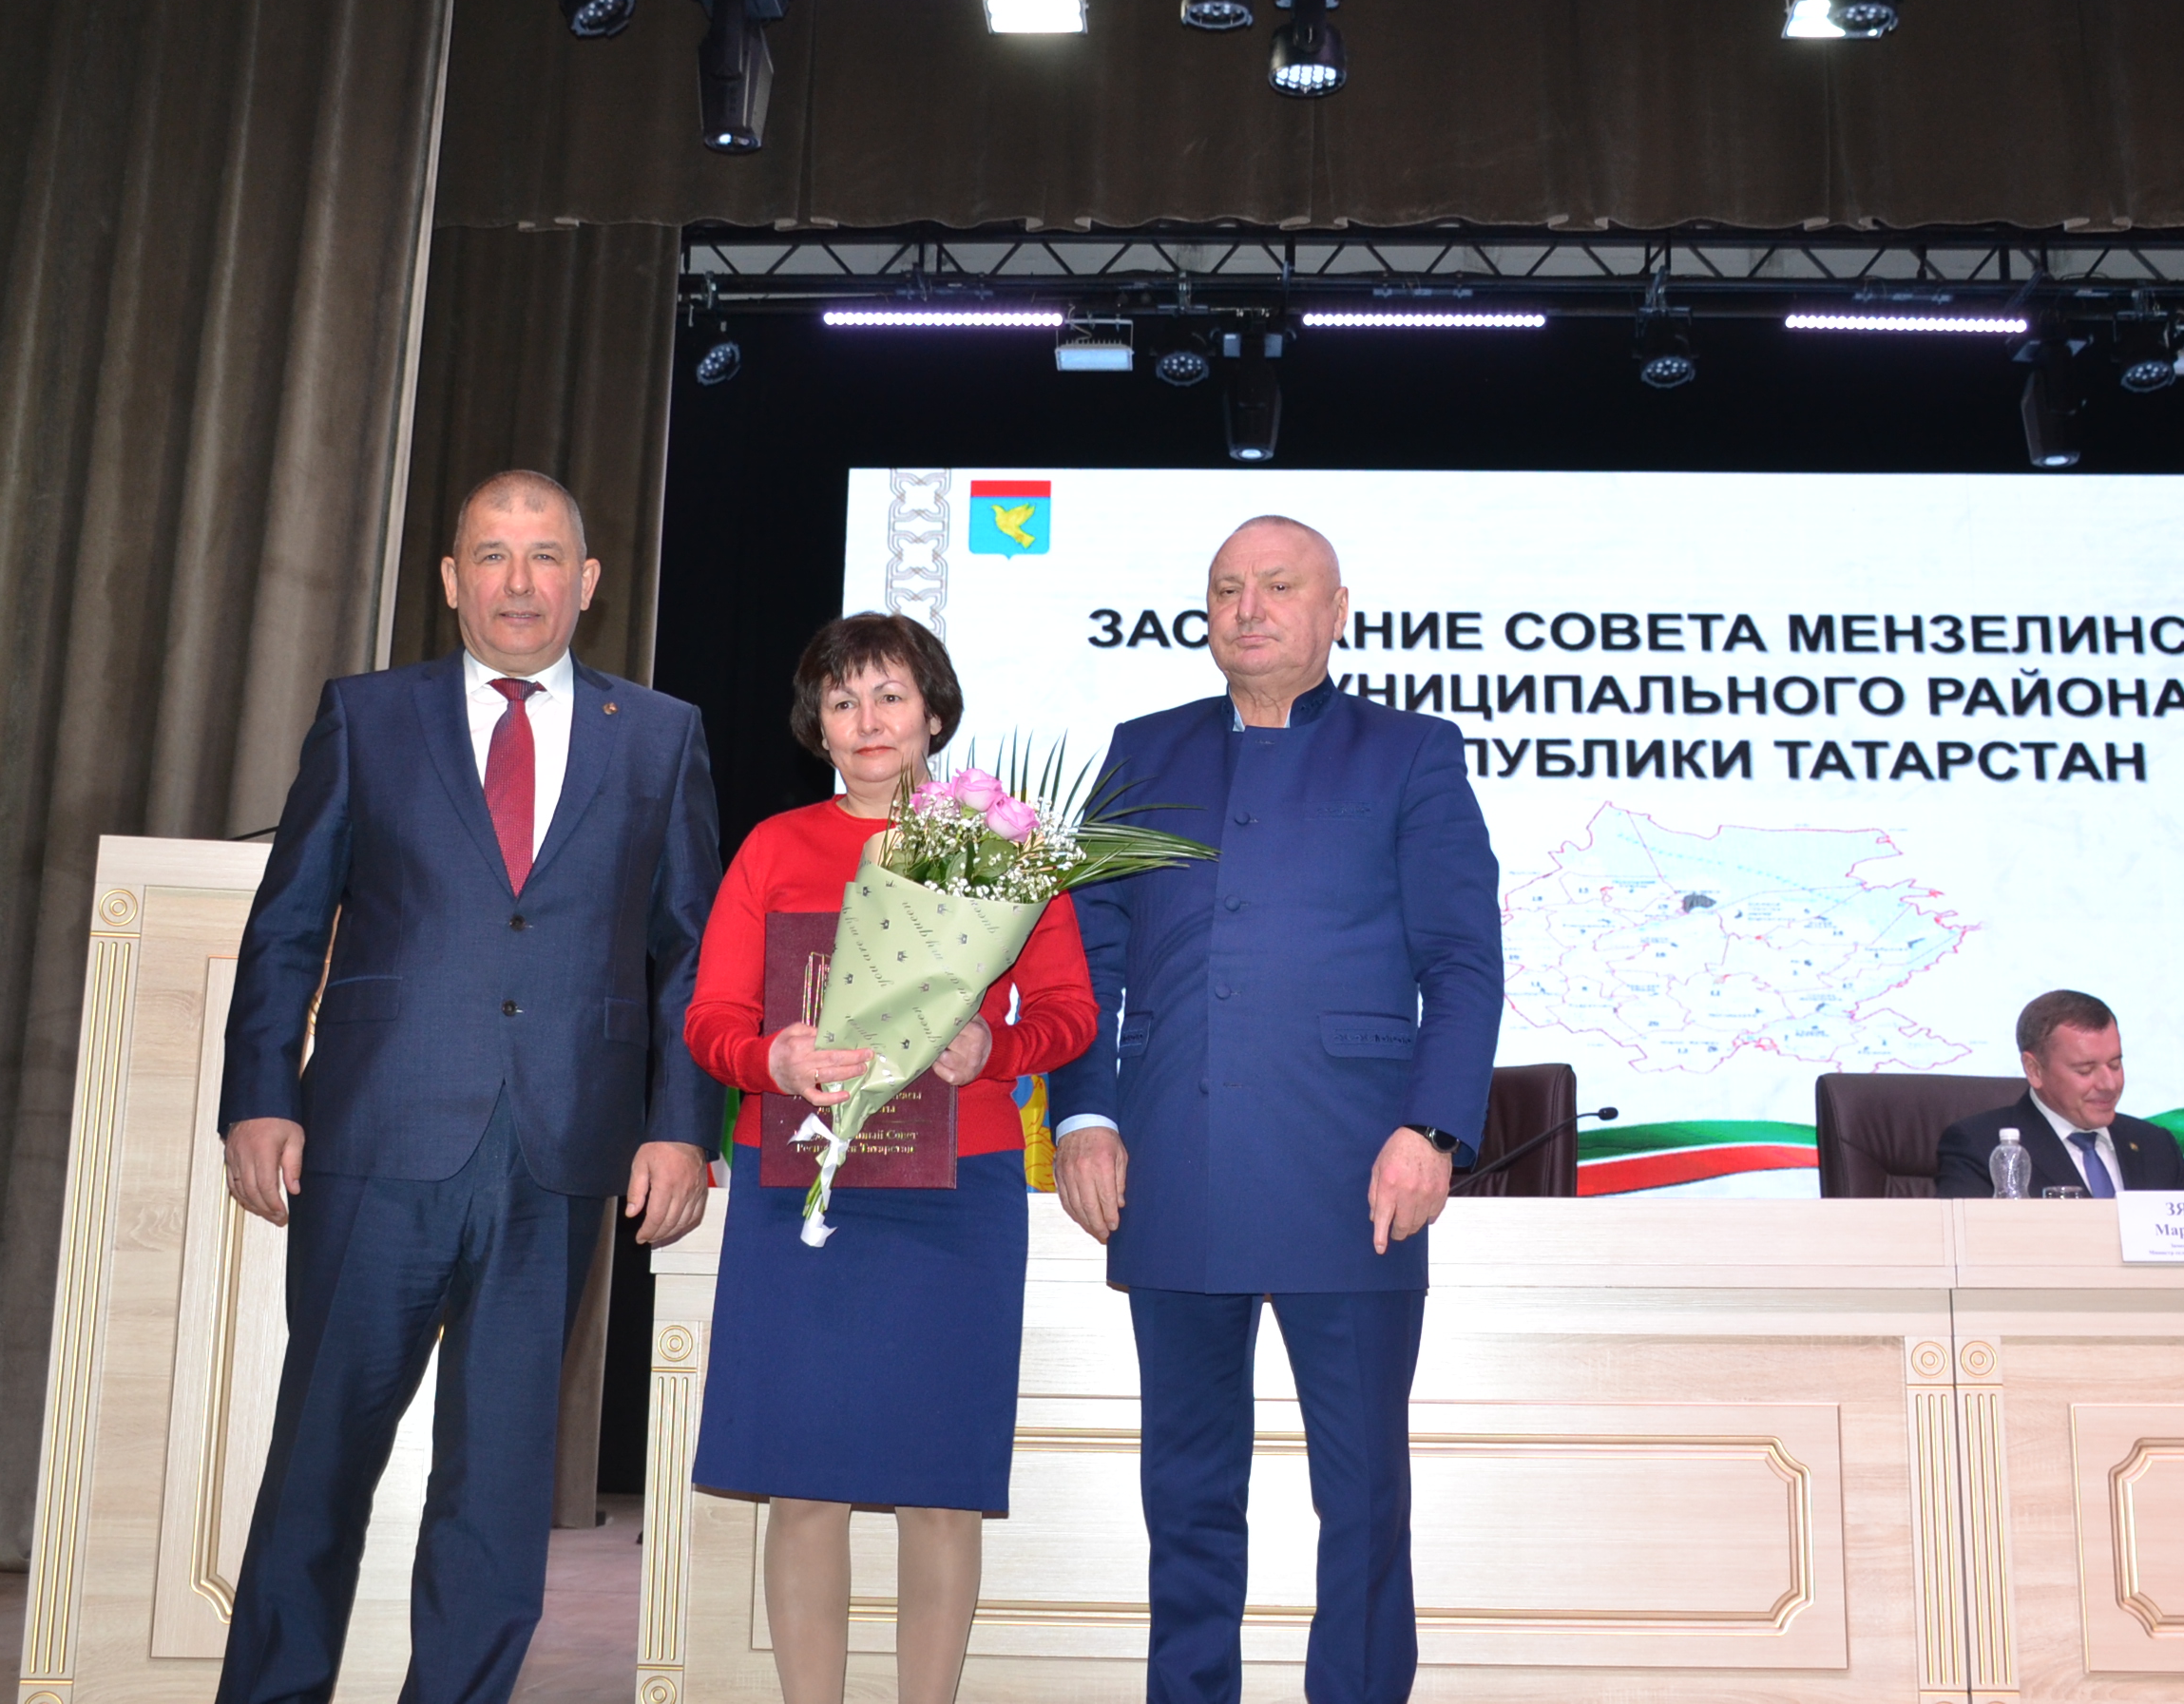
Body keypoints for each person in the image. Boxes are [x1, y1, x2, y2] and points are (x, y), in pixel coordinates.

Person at [213, 470, 720, 1704]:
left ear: (587, 582)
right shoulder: (366, 716)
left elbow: (690, 953)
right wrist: (260, 1093)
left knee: (498, 1484)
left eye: (545, 556)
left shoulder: (659, 736)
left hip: (561, 1157)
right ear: (450, 579)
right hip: (375, 1140)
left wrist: (680, 1128)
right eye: (491, 554)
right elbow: (288, 923)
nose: (518, 581)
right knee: (320, 1465)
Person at [1048, 517, 1504, 1704]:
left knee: (1362, 1495)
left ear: (1336, 611)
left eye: (1278, 586)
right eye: (1226, 589)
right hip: (1173, 1164)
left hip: (1354, 1173)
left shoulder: (1410, 753)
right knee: (1186, 1489)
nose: (1248, 608)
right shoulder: (1144, 751)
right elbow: (1082, 955)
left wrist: (1433, 1131)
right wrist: (1084, 1117)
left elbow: (1462, 961)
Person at [682, 613, 1096, 1704]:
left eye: (891, 696)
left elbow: (1071, 1013)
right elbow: (711, 1020)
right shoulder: (773, 849)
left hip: (955, 1193)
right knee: (804, 1487)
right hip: (800, 1190)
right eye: (842, 700)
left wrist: (994, 1048)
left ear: (934, 715)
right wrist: (771, 1058)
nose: (867, 720)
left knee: (940, 1490)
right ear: (817, 726)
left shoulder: (1004, 848)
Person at [1934, 988, 2184, 1197]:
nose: (2109, 1084)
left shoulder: (2155, 1145)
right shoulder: (1980, 1146)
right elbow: (1970, 1242)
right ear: (2034, 1070)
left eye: (2115, 1065)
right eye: (2085, 1070)